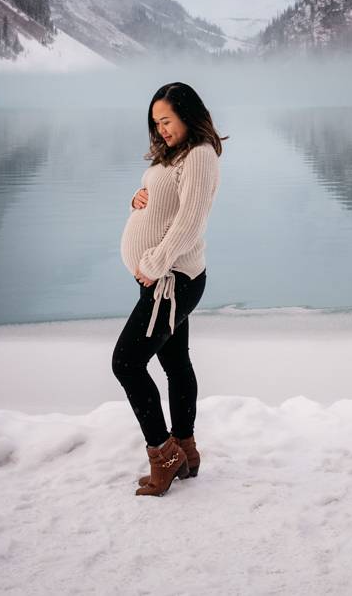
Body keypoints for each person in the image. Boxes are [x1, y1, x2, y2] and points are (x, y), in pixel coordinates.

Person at [111, 80, 225, 496]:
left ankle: (165, 453)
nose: (161, 129)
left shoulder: (199, 154)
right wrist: (136, 201)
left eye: (167, 120)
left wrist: (155, 263)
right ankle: (187, 450)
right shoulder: (175, 155)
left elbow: (191, 220)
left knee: (126, 363)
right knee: (175, 364)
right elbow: (162, 203)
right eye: (156, 122)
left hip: (170, 281)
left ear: (187, 115)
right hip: (163, 280)